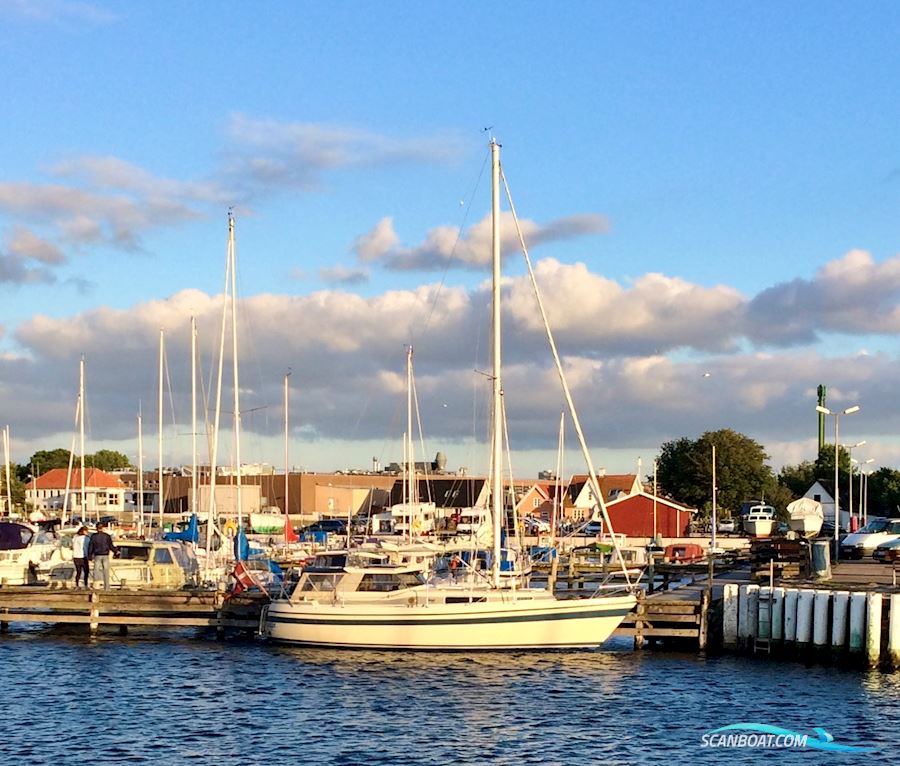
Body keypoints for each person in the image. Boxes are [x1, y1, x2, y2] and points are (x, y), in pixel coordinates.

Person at [87, 522, 118, 590]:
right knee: (106, 571)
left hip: (97, 555)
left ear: (96, 528)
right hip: (105, 554)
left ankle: (96, 586)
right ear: (103, 528)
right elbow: (110, 546)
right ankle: (107, 587)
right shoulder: (107, 536)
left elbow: (91, 547)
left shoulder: (93, 536)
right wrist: (116, 551)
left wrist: (89, 556)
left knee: (96, 571)